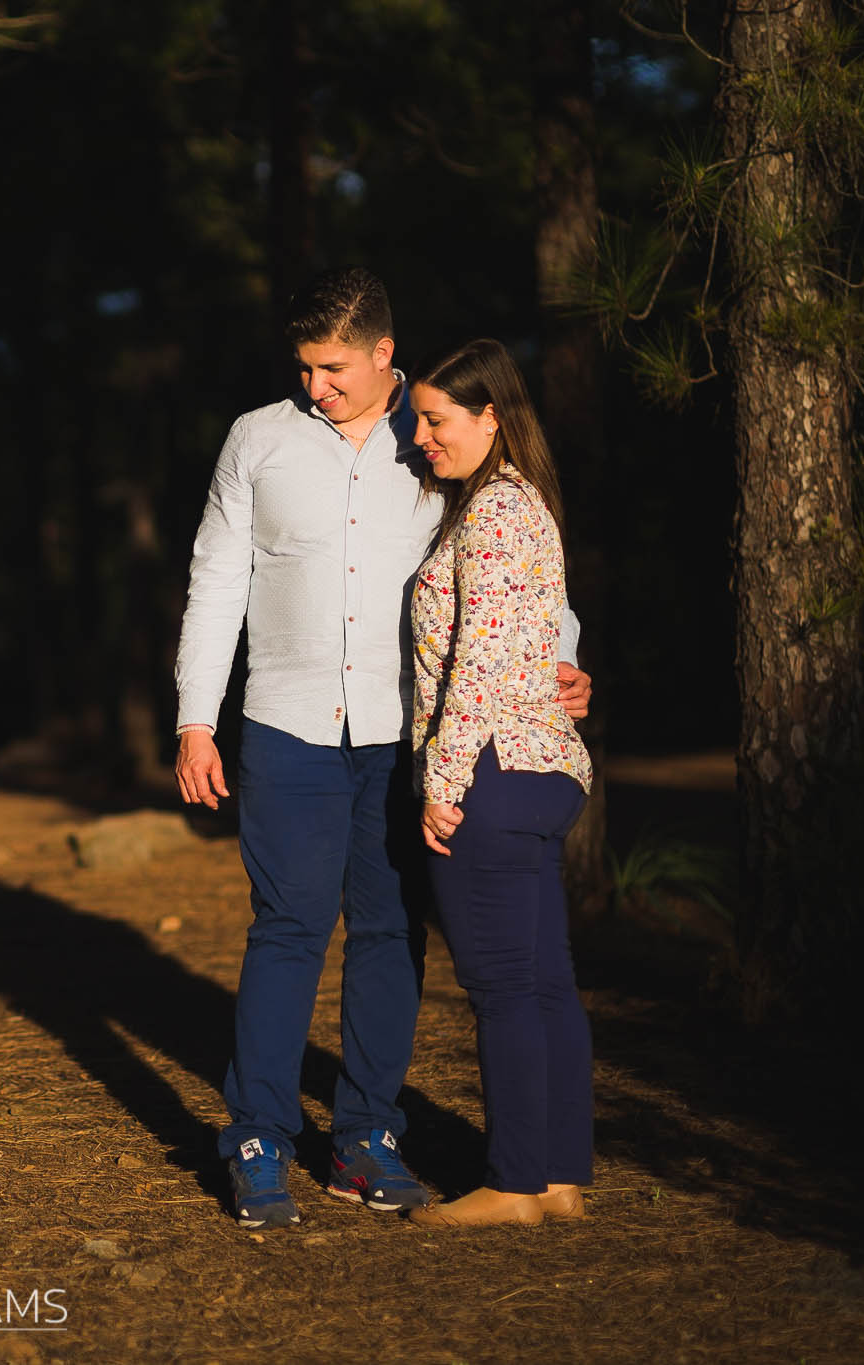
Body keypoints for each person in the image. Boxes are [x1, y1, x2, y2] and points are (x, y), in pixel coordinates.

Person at [173, 268, 589, 1231]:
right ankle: (258, 1137)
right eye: (304, 367)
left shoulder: (439, 434)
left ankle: (366, 1134)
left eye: (332, 368)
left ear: (382, 354)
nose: (314, 385)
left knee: (391, 931)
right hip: (286, 725)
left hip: (408, 735)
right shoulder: (256, 439)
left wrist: (564, 659)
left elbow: (520, 567)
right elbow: (216, 579)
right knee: (286, 927)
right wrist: (197, 717)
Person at [404, 339, 593, 1228]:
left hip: (490, 770)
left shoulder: (490, 513)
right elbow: (537, 634)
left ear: (490, 416)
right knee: (545, 979)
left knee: (502, 987)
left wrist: (441, 781)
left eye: (435, 419)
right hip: (541, 768)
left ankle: (513, 1183)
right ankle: (559, 1178)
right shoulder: (523, 503)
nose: (420, 437)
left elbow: (475, 664)